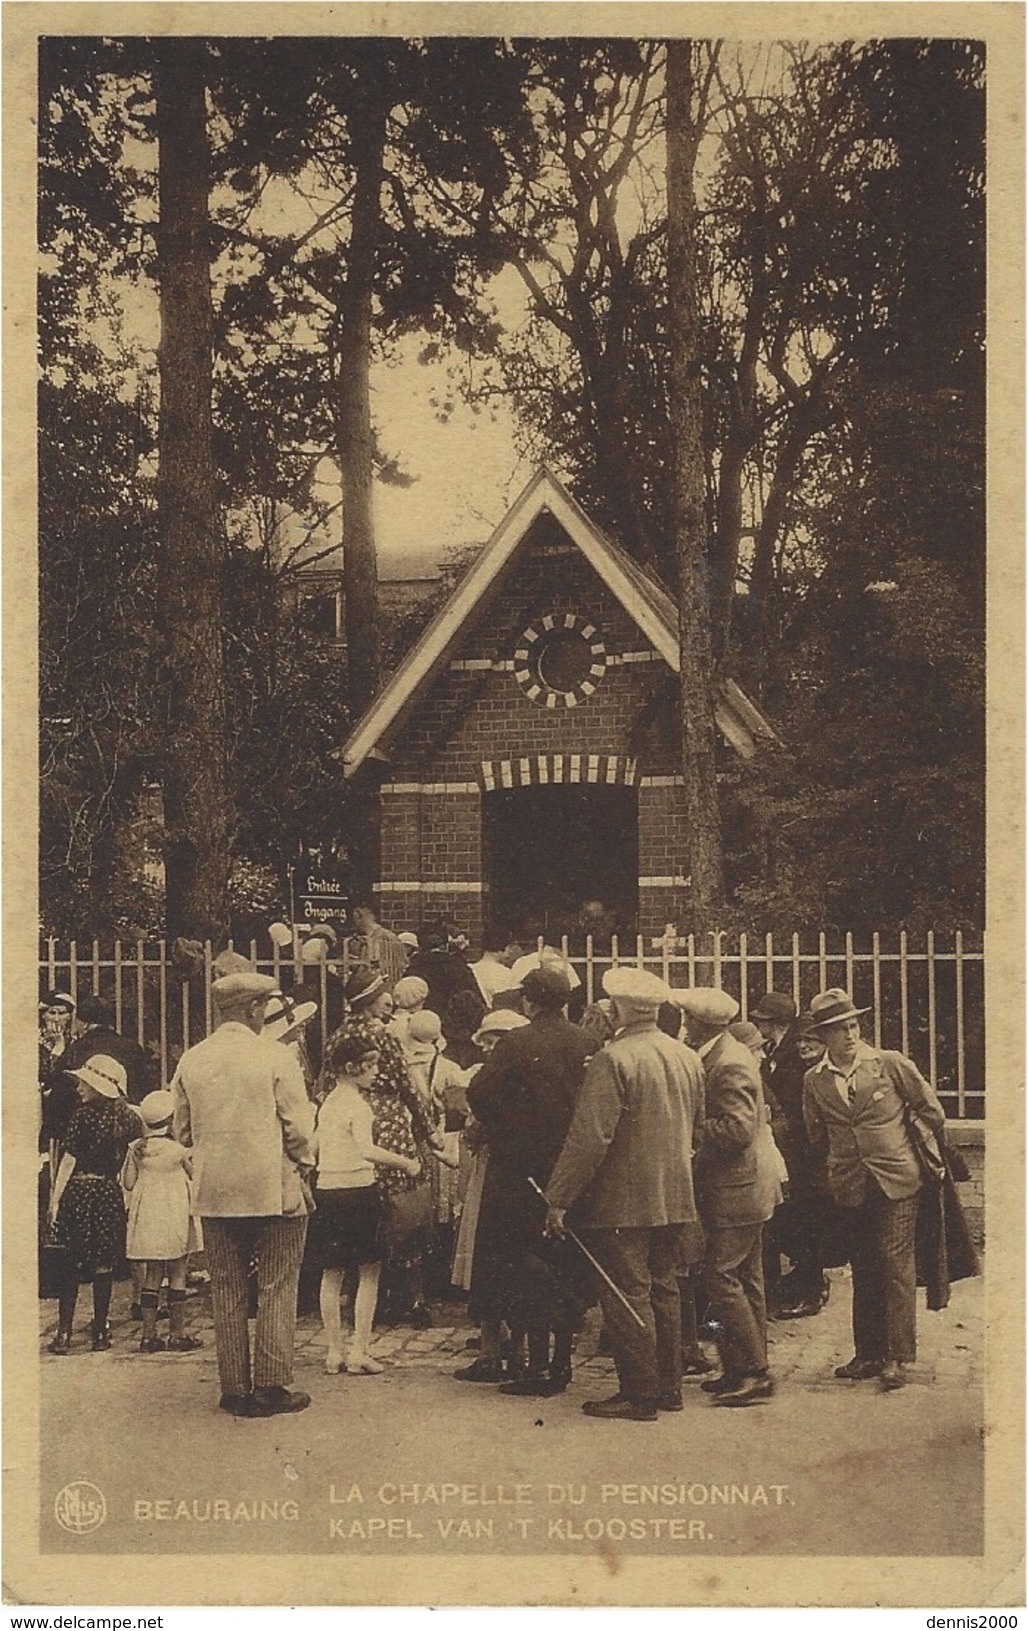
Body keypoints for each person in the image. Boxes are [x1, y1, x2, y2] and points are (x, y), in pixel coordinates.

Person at [544, 967, 705, 1421]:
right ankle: (668, 1388)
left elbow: (590, 1138)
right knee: (665, 1290)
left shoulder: (613, 1060)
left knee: (626, 1295)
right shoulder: (685, 1056)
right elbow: (696, 1124)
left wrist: (559, 1199)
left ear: (619, 1010)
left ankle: (640, 1393)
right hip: (674, 1194)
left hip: (622, 1201)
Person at [171, 970, 316, 1417]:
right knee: (276, 1284)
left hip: (215, 1189)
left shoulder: (192, 1059)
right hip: (272, 1186)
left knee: (227, 1288)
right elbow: (298, 1125)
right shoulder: (274, 1055)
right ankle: (272, 1385)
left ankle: (234, 1387)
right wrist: (305, 1163)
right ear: (255, 1009)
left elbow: (182, 1128)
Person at [802, 987, 946, 1390]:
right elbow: (815, 1133)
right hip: (850, 1184)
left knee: (894, 1263)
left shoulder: (889, 1064)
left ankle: (897, 1358)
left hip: (899, 1180)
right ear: (823, 1036)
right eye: (838, 1029)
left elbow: (932, 1110)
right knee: (863, 1266)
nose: (849, 1035)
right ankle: (867, 1354)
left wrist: (903, 1140)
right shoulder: (814, 1080)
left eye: (853, 1025)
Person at [466, 967, 592, 1397]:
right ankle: (561, 1362)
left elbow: (479, 1092)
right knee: (566, 1264)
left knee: (526, 1266)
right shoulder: (587, 1041)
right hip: (573, 1170)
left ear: (529, 1002)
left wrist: (511, 1127)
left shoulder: (517, 1042)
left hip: (520, 1172)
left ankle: (536, 1366)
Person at [676, 987, 781, 1408]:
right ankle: (740, 1367)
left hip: (735, 1189)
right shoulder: (724, 1055)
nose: (684, 1027)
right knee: (747, 1280)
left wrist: (693, 1133)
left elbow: (737, 1130)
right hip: (745, 1187)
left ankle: (754, 1372)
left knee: (720, 1277)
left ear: (701, 1024)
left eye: (688, 1020)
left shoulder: (728, 1064)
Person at [312, 1029, 422, 1376]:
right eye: (370, 1065)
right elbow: (365, 1149)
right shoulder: (358, 1106)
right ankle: (359, 1350)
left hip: (328, 1190)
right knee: (369, 1273)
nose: (376, 1071)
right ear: (352, 1067)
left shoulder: (328, 1103)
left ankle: (333, 1352)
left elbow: (314, 1148)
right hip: (358, 1190)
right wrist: (406, 1162)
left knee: (332, 1274)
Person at [340, 969, 443, 1328]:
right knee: (404, 1207)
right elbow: (407, 1085)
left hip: (351, 1125)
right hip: (389, 1124)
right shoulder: (382, 1035)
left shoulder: (339, 1035)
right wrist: (429, 1130)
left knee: (365, 1207)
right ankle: (413, 1298)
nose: (388, 999)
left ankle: (362, 1296)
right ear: (369, 999)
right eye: (382, 993)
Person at [45, 1055, 144, 1354]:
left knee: (71, 1263)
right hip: (108, 1193)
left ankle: (64, 1334)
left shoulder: (81, 1116)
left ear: (98, 1087)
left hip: (79, 1190)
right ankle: (100, 1331)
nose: (79, 1089)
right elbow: (134, 1162)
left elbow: (69, 1160)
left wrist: (55, 1198)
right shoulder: (128, 1119)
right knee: (104, 1264)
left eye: (84, 1084)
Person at [451, 1010, 530, 1377]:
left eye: (496, 1041)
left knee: (493, 1259)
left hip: (494, 1178)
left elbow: (476, 1128)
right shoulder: (520, 1078)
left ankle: (494, 1350)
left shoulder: (495, 1080)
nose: (490, 1048)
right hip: (493, 1175)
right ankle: (501, 1344)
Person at [750, 991, 831, 1318]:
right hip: (788, 1152)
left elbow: (802, 1111)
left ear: (776, 1023)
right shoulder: (776, 1051)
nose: (758, 1024)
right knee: (792, 1223)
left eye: (763, 1020)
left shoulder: (796, 1058)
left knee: (805, 1222)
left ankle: (812, 1290)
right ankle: (804, 1284)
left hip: (802, 1155)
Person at [123, 1088, 202, 1354]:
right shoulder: (179, 1151)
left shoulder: (136, 1149)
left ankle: (148, 1336)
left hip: (148, 1217)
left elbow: (129, 1183)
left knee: (153, 1274)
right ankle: (177, 1335)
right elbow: (196, 1178)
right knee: (178, 1272)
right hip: (173, 1214)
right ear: (171, 1120)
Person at [347, 902, 409, 989]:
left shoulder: (385, 938)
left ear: (359, 914)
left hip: (383, 991)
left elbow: (389, 970)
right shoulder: (363, 939)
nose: (354, 922)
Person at [468, 927, 522, 1007]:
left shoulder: (470, 969)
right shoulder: (507, 974)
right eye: (509, 947)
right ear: (500, 947)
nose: (510, 951)